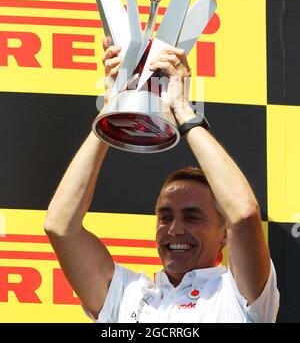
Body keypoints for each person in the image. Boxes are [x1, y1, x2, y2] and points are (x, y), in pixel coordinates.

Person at [44, 37, 279, 323]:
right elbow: (60, 227)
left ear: (224, 234)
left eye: (193, 217)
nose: (175, 229)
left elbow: (244, 214)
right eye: (165, 217)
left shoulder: (237, 295)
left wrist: (182, 109)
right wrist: (112, 110)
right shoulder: (128, 295)